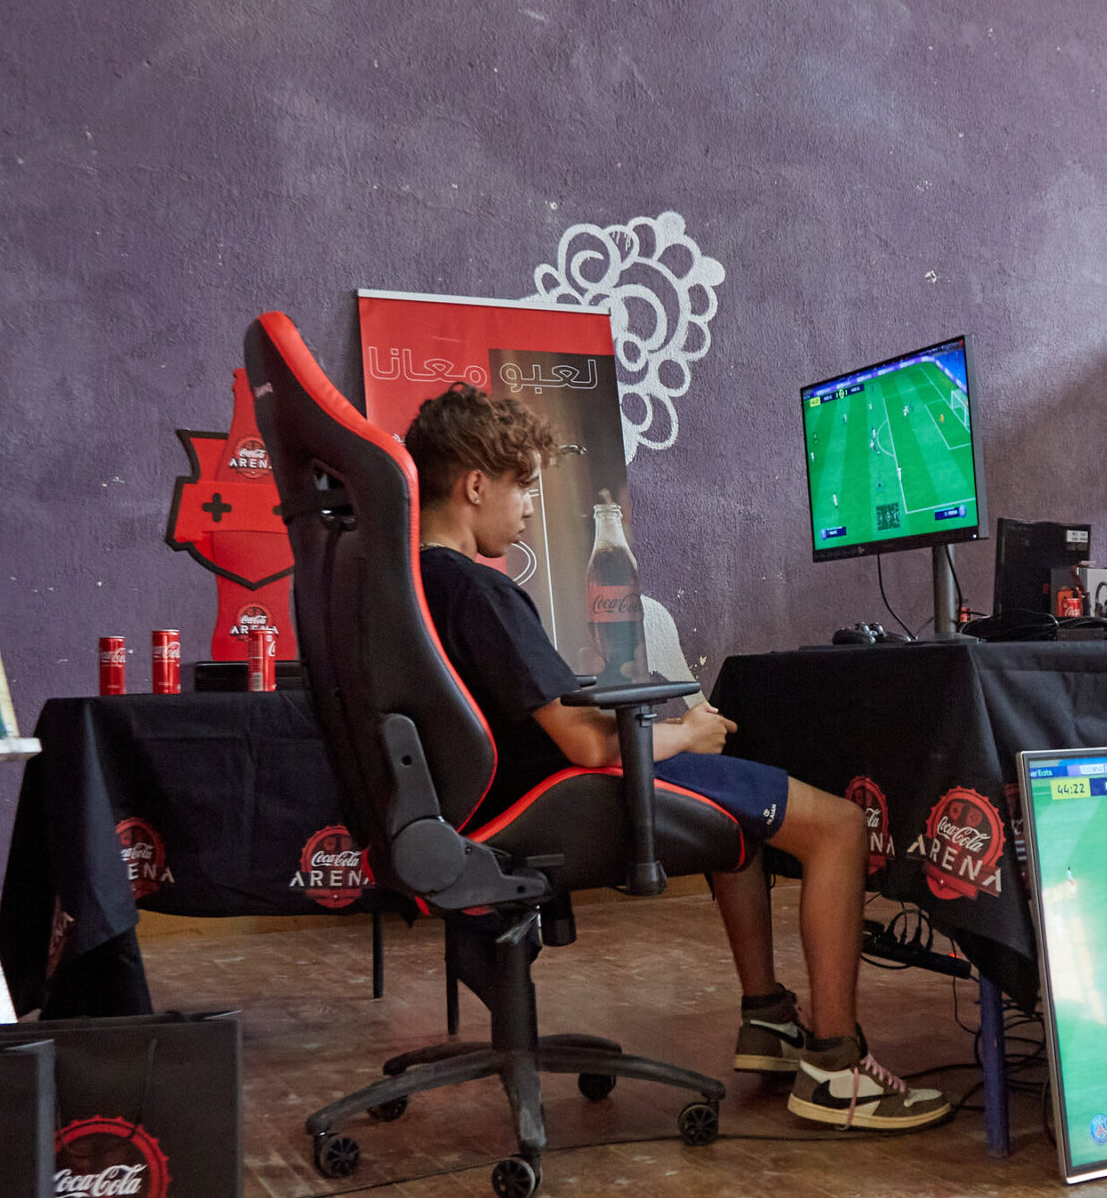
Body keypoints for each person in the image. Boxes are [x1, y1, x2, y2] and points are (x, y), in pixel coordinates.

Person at [403, 385, 946, 1132]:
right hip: (563, 797)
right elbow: (589, 743)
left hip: (478, 805)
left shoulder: (411, 586)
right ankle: (836, 1068)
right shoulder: (480, 593)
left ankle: (767, 1019)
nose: (528, 506)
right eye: (522, 485)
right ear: (474, 486)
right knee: (839, 827)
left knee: (741, 808)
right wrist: (687, 732)